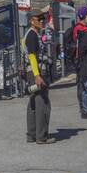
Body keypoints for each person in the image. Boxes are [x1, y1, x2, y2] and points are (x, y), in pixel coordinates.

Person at [25, 8, 52, 143]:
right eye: (39, 19)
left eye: (43, 19)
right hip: (36, 72)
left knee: (33, 103)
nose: (42, 21)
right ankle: (41, 136)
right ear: (32, 21)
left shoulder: (34, 34)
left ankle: (32, 134)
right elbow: (32, 57)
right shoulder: (32, 36)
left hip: (34, 72)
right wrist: (37, 75)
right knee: (43, 103)